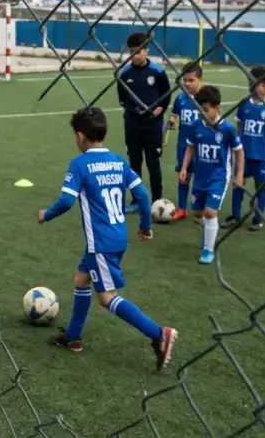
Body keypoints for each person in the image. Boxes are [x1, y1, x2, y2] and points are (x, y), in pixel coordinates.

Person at [37, 106, 178, 368]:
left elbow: (67, 201)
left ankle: (159, 334)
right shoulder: (117, 161)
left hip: (99, 243)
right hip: (117, 236)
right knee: (81, 278)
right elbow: (144, 196)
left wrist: (47, 215)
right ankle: (73, 336)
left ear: (80, 136)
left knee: (106, 297)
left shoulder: (80, 163)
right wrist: (146, 225)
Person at [178, 85, 243, 265]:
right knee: (197, 213)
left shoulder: (227, 129)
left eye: (206, 110)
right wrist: (185, 168)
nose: (202, 114)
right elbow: (190, 147)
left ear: (218, 107)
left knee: (210, 212)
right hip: (200, 176)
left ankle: (208, 249)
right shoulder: (196, 126)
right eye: (200, 110)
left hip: (218, 176)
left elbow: (239, 152)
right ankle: (209, 235)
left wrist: (239, 175)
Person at [117, 31, 171, 212]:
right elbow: (122, 98)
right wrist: (133, 111)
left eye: (139, 51)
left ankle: (157, 201)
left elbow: (166, 95)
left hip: (153, 125)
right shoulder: (124, 73)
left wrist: (160, 109)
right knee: (134, 164)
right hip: (132, 124)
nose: (135, 55)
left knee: (153, 163)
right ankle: (137, 201)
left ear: (146, 51)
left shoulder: (158, 72)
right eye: (132, 51)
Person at [227, 66, 265, 231]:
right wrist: (234, 150)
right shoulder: (244, 103)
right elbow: (238, 127)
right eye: (249, 83)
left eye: (254, 83)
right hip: (243, 154)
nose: (250, 86)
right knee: (238, 183)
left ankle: (258, 218)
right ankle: (235, 216)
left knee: (260, 187)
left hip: (262, 156)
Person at [164, 62, 203, 222]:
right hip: (183, 145)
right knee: (183, 176)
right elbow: (174, 115)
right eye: (185, 80)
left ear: (200, 79)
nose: (187, 84)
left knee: (201, 179)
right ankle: (182, 209)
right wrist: (171, 121)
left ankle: (199, 209)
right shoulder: (180, 98)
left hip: (201, 147)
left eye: (191, 80)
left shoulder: (206, 98)